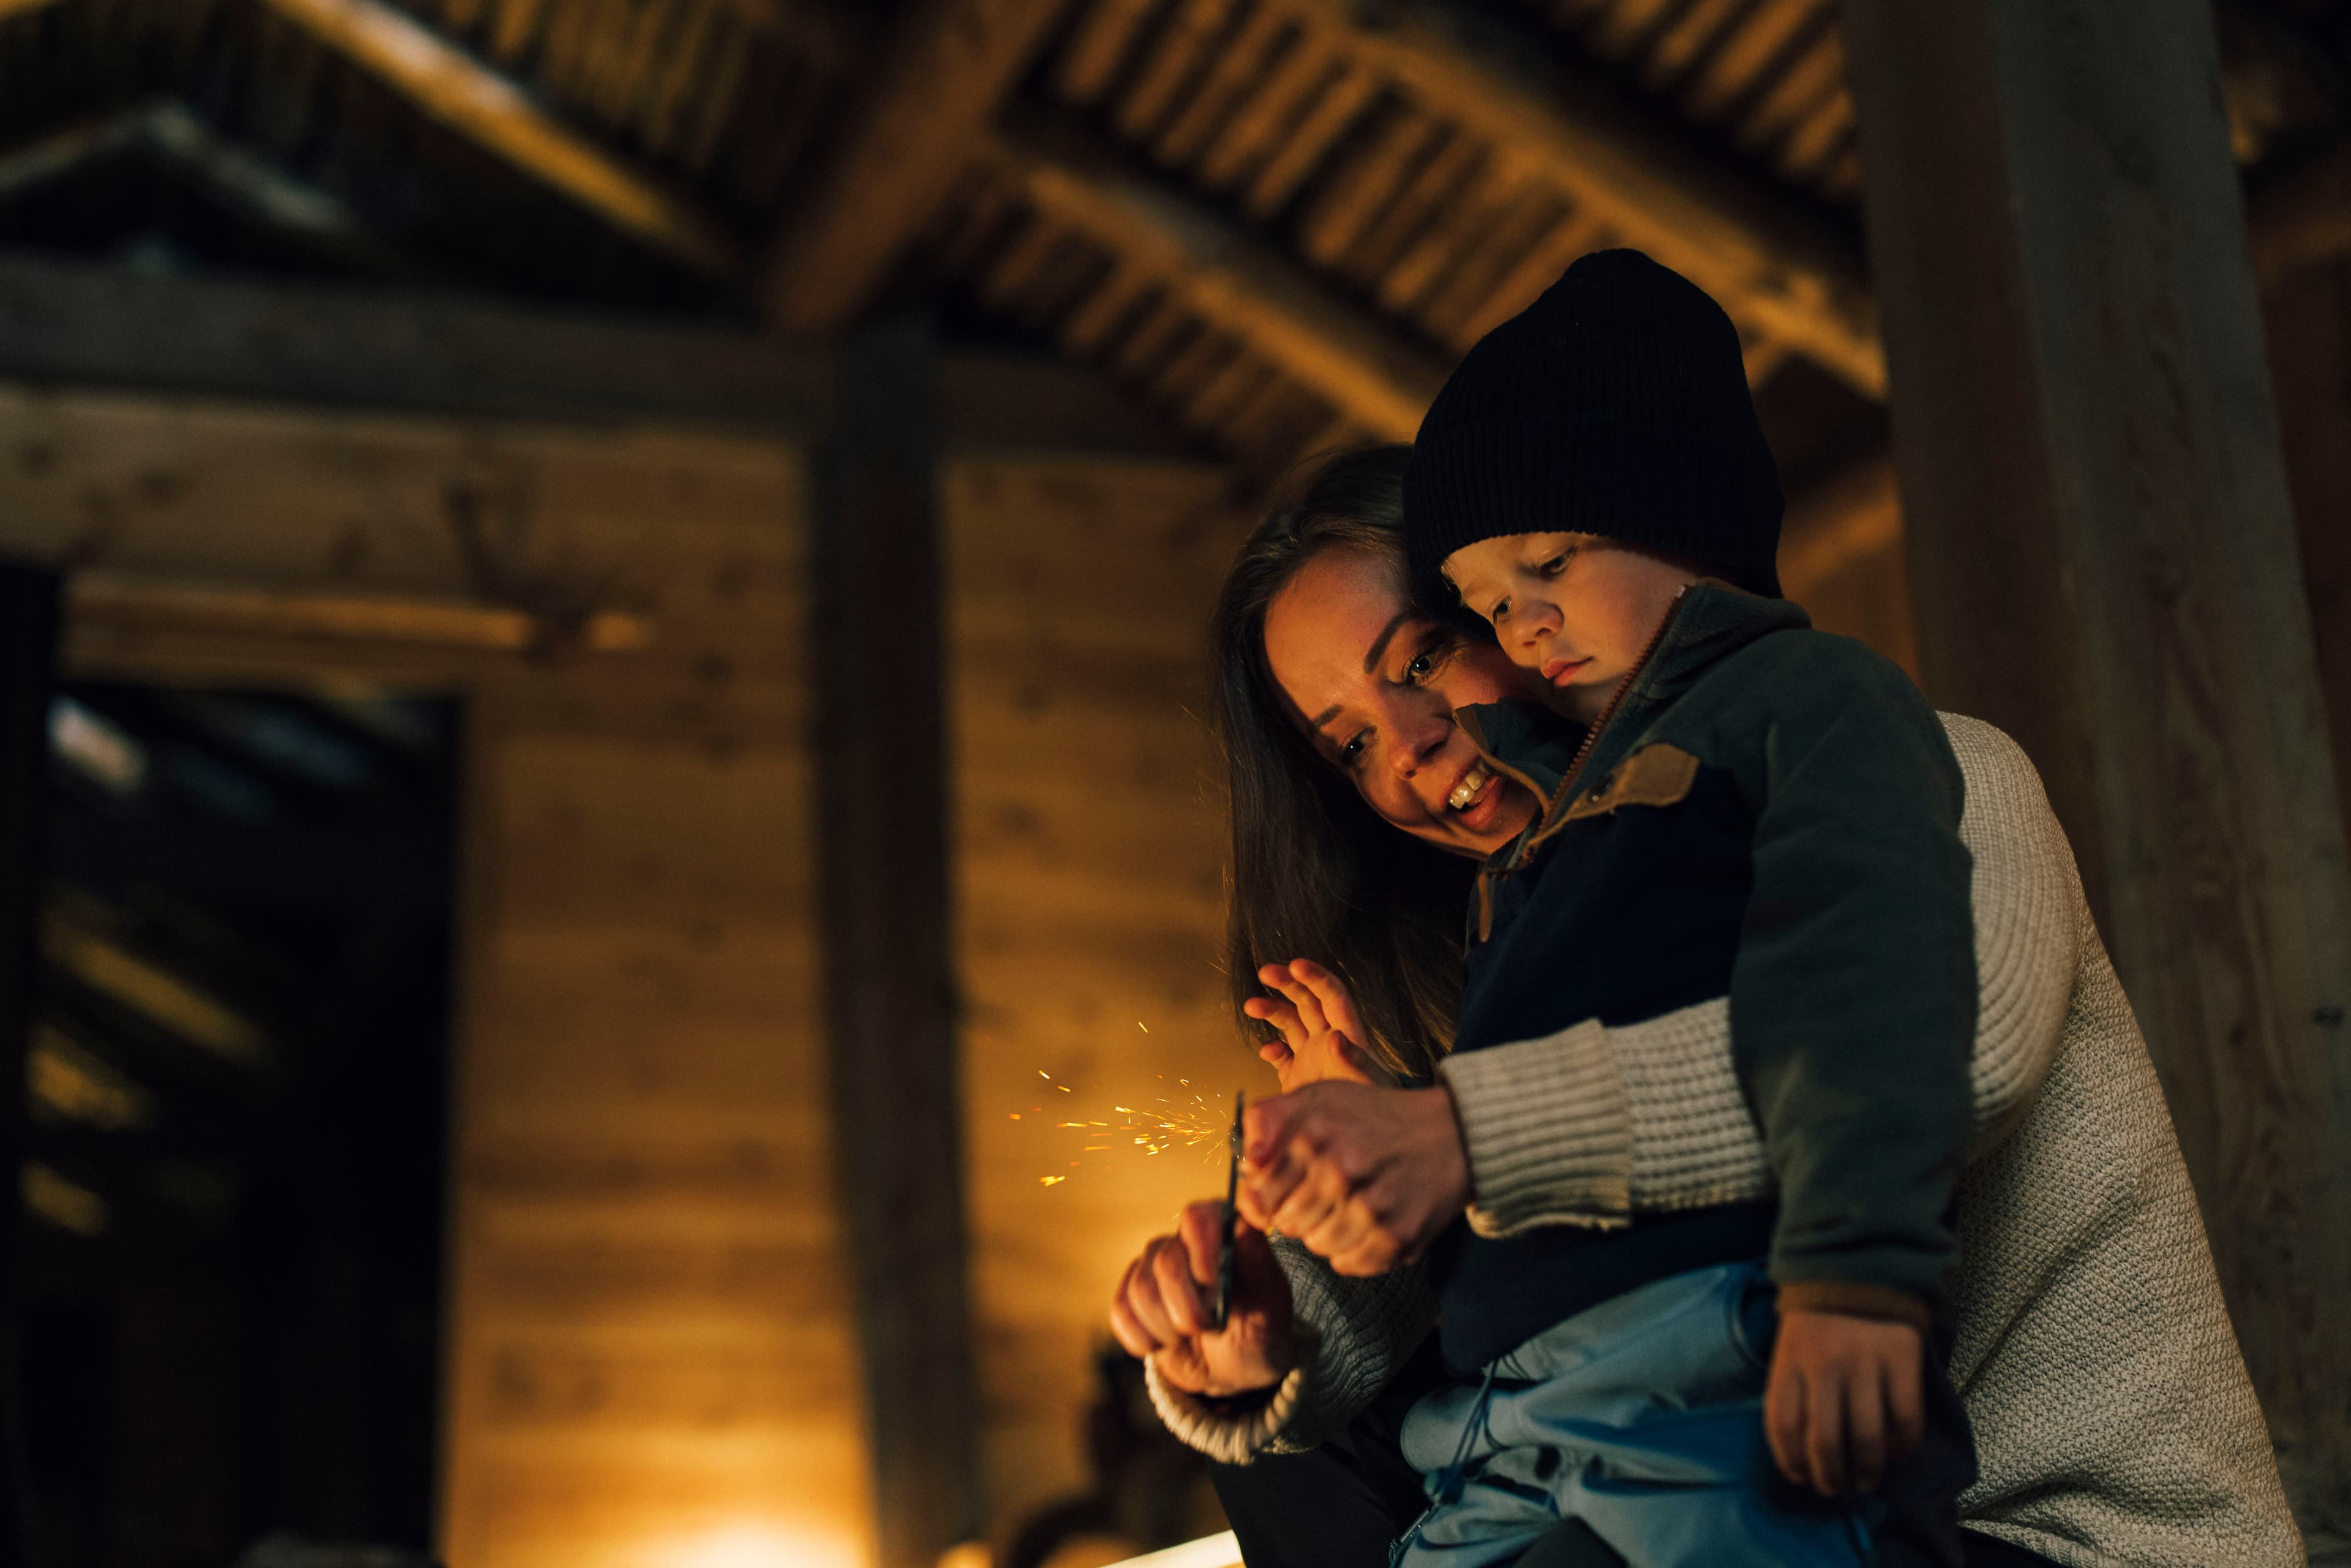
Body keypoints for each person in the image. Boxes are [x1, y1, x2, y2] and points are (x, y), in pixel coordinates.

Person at [1109, 437, 2299, 1563]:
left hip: (2024, 1534)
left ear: (1524, 599)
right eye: (1350, 744)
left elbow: (1949, 1060)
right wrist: (1282, 1318)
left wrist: (1468, 1133)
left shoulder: (1933, 769)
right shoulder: (1524, 943)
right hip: (1744, 1476)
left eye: (1422, 659)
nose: (1409, 747)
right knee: (1297, 1448)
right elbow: (1555, 1306)